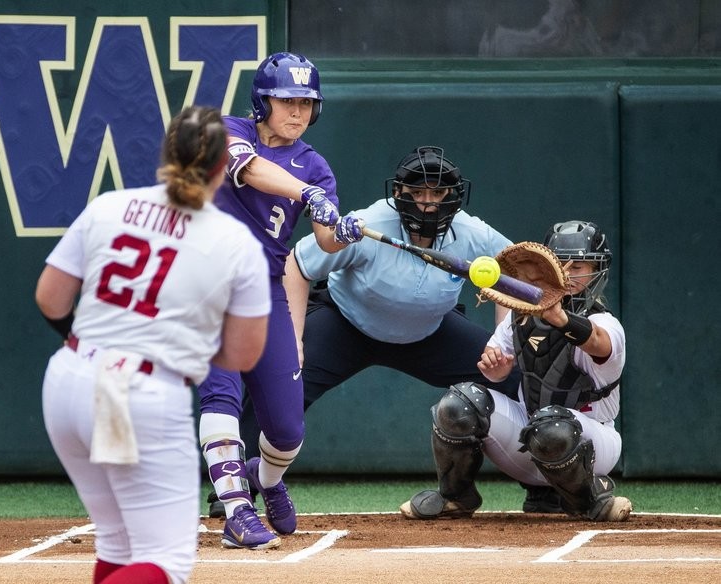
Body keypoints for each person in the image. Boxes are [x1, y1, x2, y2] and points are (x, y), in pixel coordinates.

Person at [211, 145, 563, 517]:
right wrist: (293, 339)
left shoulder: (472, 233)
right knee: (281, 382)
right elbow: (296, 265)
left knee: (517, 381)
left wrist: (500, 343)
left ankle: (543, 486)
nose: (428, 203)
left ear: (454, 196)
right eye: (418, 193)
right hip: (345, 325)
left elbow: (509, 276)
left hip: (431, 331)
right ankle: (233, 491)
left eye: (438, 193)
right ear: (399, 194)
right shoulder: (369, 223)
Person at [36, 105, 271, 584]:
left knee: (119, 543)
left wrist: (95, 348)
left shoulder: (109, 205)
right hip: (144, 393)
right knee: (166, 563)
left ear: (166, 153)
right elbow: (243, 356)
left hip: (68, 378)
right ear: (223, 166)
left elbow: (50, 298)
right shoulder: (235, 241)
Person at [196, 51, 362, 550]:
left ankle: (264, 479)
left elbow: (326, 241)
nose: (297, 112)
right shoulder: (227, 130)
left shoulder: (315, 164)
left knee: (288, 430)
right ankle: (236, 510)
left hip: (265, 290)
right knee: (221, 395)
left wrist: (342, 229)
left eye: (307, 103)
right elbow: (246, 170)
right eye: (286, 101)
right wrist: (310, 194)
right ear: (262, 102)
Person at [400, 220, 632, 522]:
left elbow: (599, 343)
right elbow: (494, 371)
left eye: (578, 268)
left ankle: (588, 498)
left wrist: (561, 319)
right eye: (561, 265)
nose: (567, 275)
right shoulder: (520, 317)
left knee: (551, 424)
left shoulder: (607, 324)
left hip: (592, 442)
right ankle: (456, 497)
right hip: (529, 438)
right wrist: (497, 369)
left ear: (596, 270)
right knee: (461, 403)